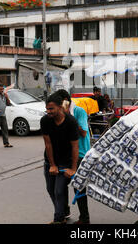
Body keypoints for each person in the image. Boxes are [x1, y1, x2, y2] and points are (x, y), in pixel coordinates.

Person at [41, 93, 79, 224]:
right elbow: (48, 143)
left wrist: (73, 168)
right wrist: (52, 164)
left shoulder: (71, 122)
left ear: (60, 107)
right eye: (47, 109)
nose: (48, 112)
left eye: (51, 109)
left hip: (66, 161)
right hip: (50, 160)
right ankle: (62, 211)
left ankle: (59, 219)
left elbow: (75, 146)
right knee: (50, 189)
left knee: (59, 190)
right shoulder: (45, 120)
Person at [56, 89, 91, 224]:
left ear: (66, 101)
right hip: (67, 154)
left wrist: (68, 116)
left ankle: (84, 217)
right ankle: (64, 212)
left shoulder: (78, 111)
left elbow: (82, 133)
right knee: (60, 185)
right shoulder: (59, 114)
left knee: (79, 186)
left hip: (81, 153)